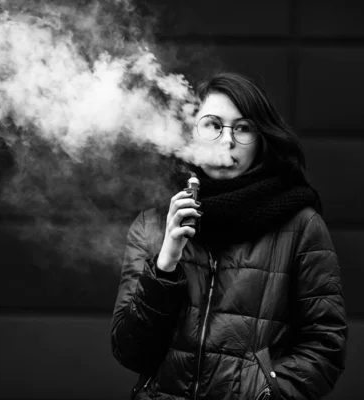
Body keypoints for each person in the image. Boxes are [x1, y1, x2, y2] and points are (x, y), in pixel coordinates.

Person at [111, 72, 347, 400]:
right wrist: (165, 266)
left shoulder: (301, 225)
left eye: (243, 127)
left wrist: (267, 393)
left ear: (262, 137)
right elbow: (130, 352)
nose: (228, 141)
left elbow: (325, 345)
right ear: (188, 132)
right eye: (212, 125)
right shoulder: (153, 225)